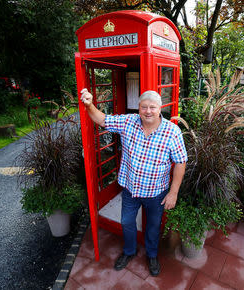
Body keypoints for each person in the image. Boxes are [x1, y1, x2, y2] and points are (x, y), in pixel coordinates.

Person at [80, 88, 187, 276]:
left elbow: (180, 162)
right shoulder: (128, 122)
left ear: (160, 108)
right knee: (126, 222)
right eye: (144, 107)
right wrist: (89, 105)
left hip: (156, 193)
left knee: (153, 227)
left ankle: (152, 255)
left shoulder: (172, 131)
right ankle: (130, 251)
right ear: (138, 108)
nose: (148, 111)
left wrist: (174, 192)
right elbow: (102, 119)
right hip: (131, 189)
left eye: (152, 107)